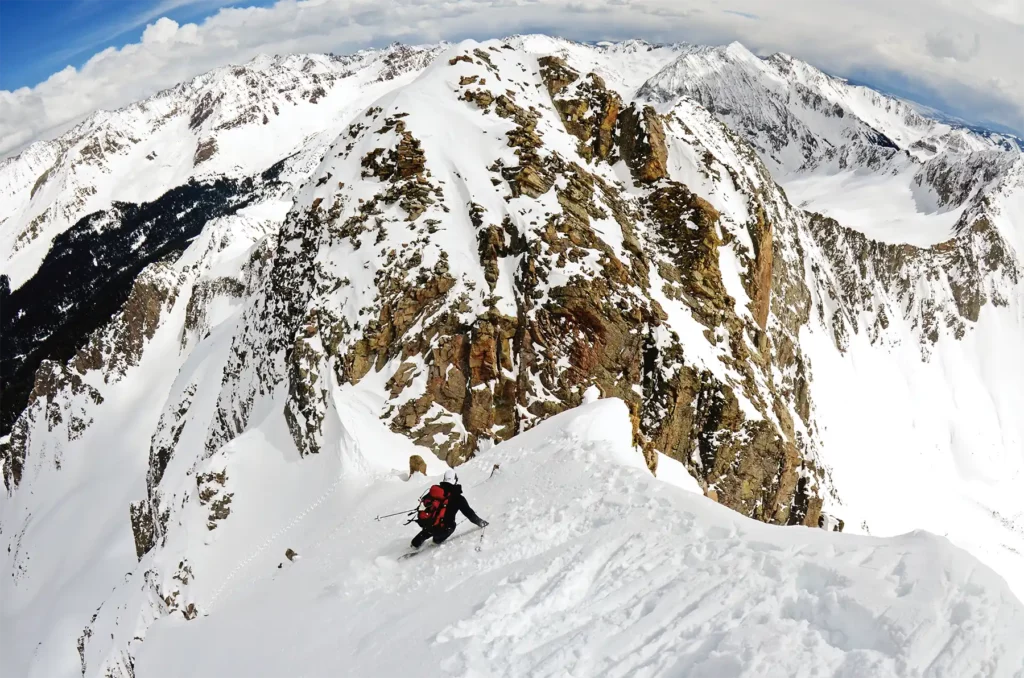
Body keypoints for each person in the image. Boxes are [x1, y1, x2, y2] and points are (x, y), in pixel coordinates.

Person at [411, 469, 488, 548]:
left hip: (428, 524)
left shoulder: (436, 491)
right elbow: (469, 513)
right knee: (451, 525)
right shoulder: (458, 497)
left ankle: (415, 543)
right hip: (442, 529)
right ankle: (436, 541)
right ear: (455, 480)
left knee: (431, 527)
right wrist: (481, 522)